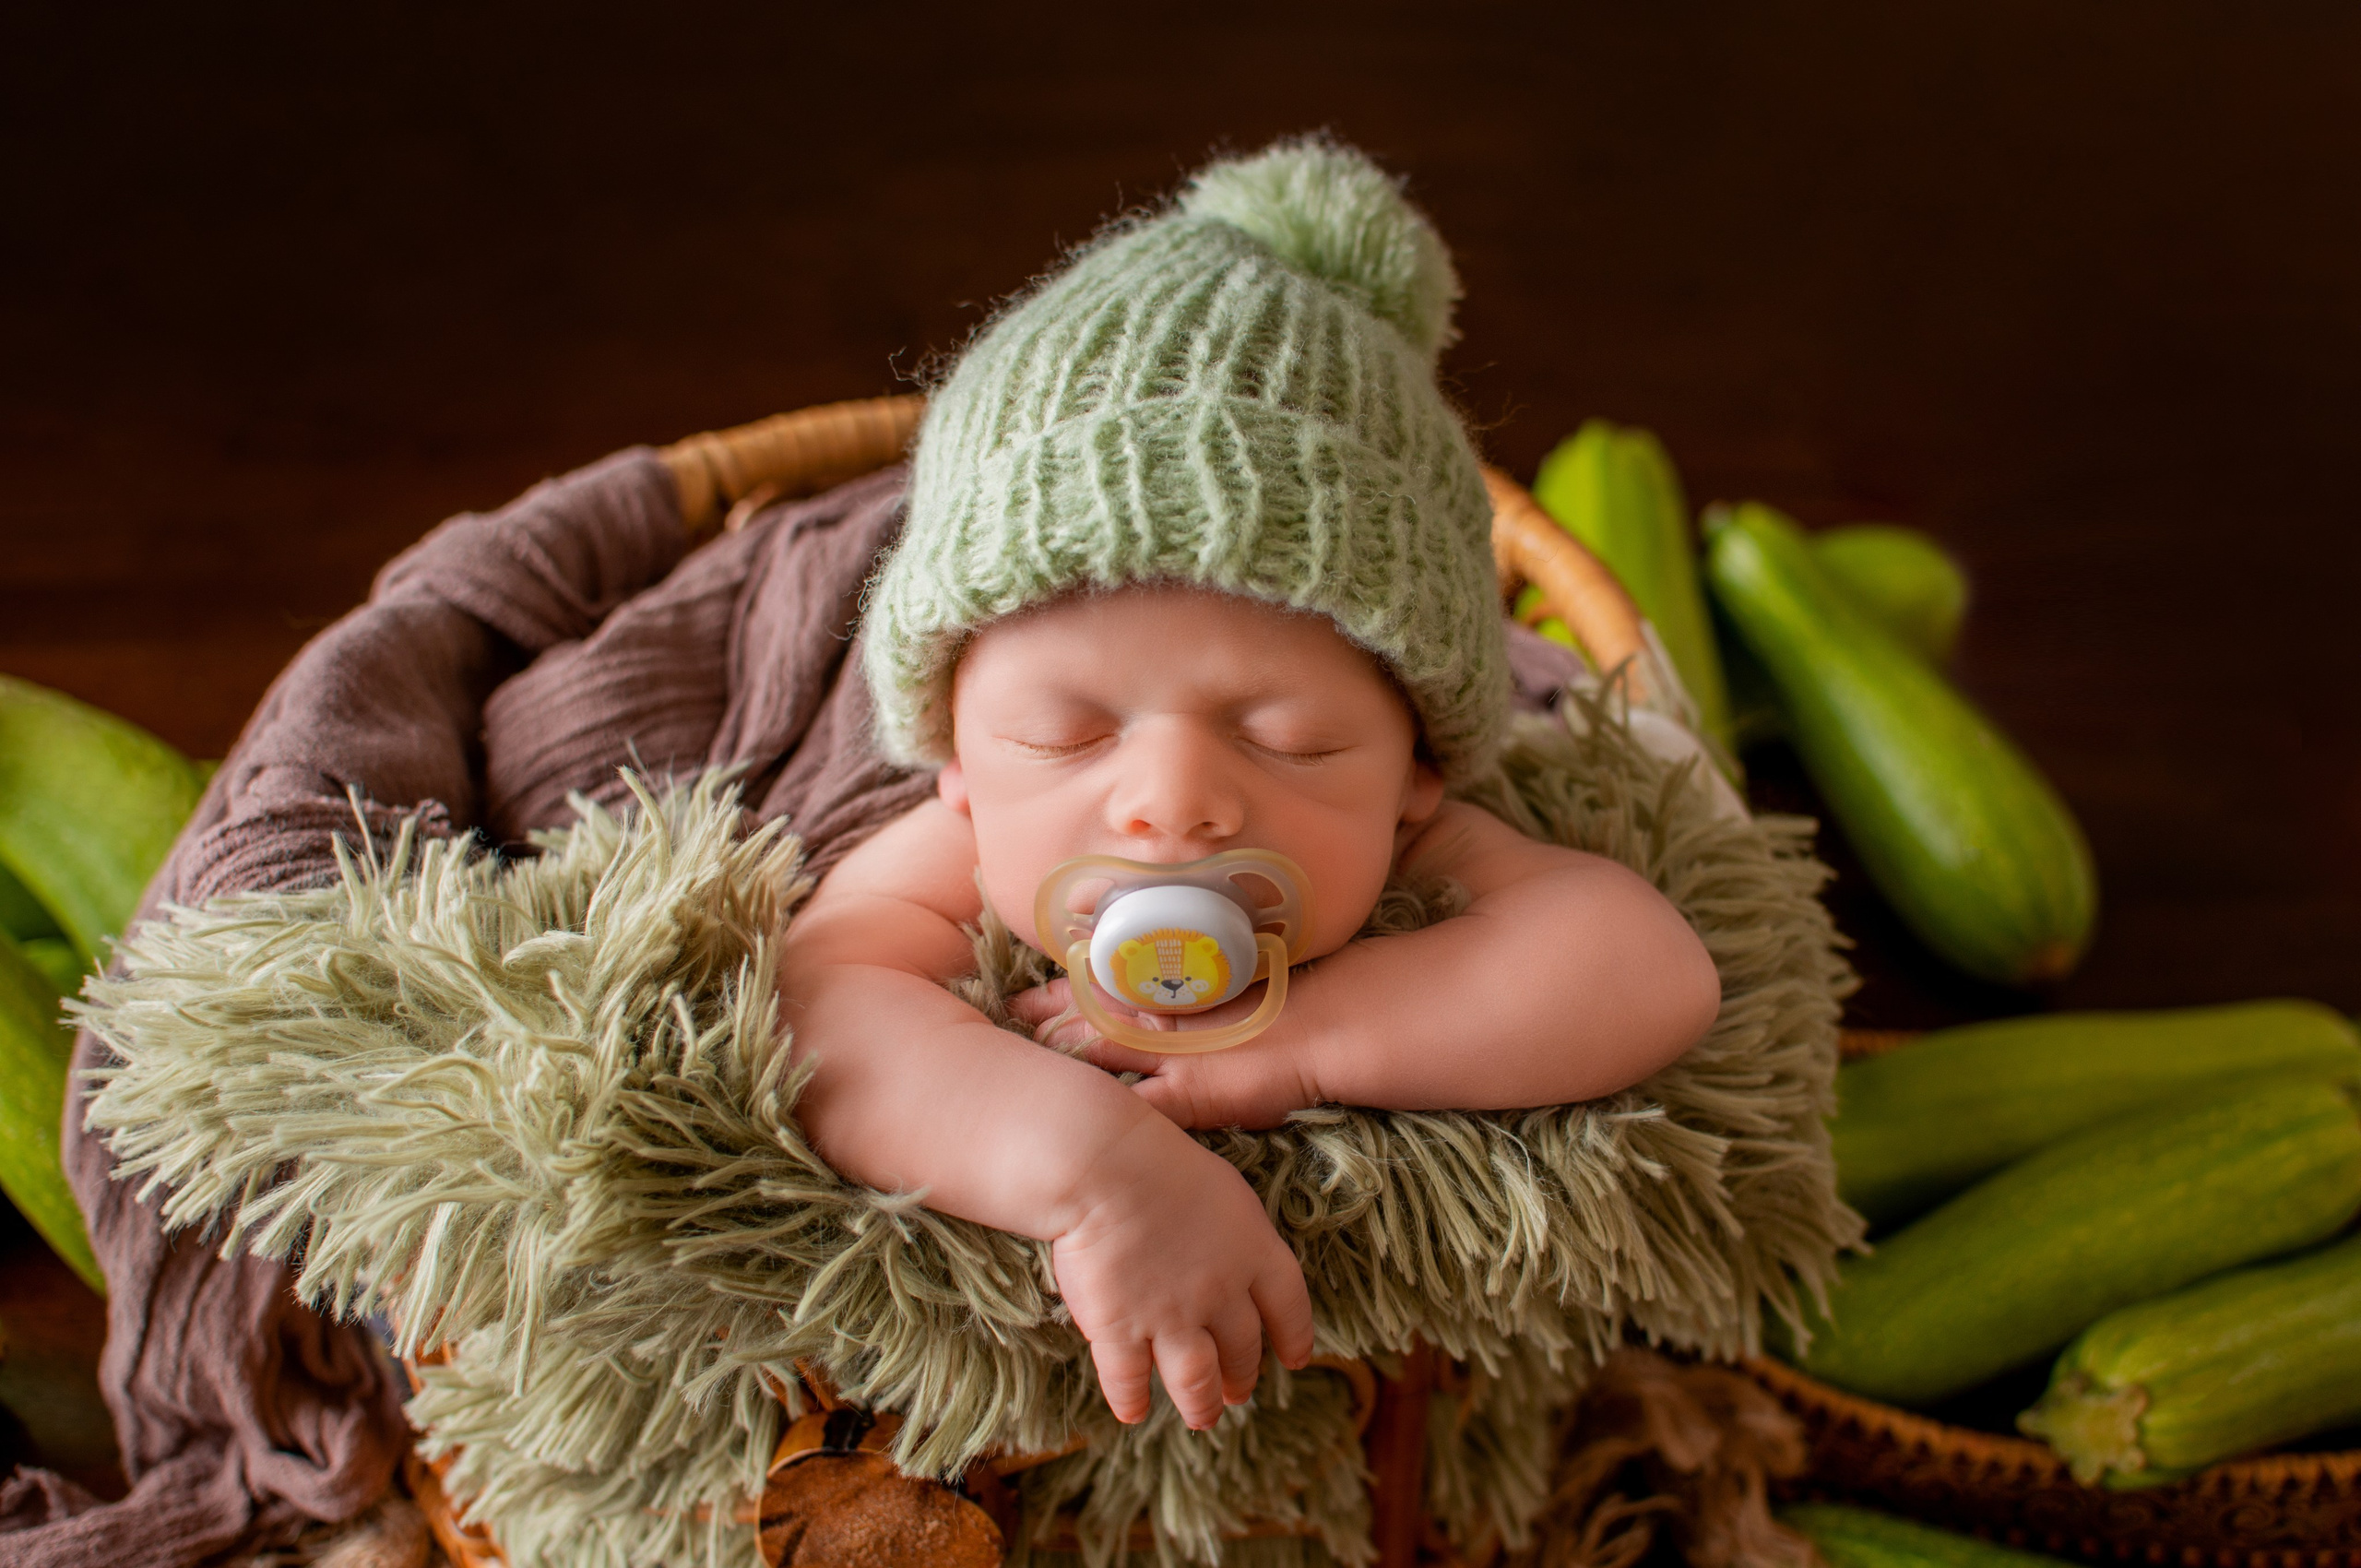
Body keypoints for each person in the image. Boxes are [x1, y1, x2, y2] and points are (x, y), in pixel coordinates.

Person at [777, 138, 1721, 1439]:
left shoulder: (1420, 838)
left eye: (1286, 739)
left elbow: (1645, 968)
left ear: (1413, 777)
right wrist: (1096, 1174)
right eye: (1063, 733)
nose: (1172, 804)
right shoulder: (955, 843)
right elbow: (817, 1012)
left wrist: (1306, 1039)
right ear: (957, 765)